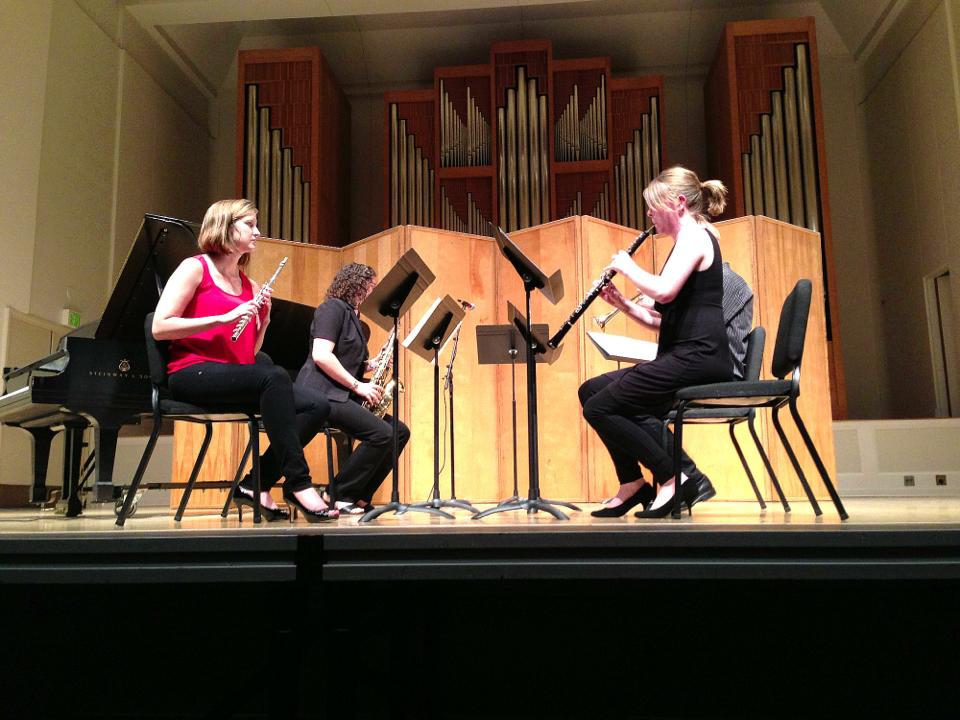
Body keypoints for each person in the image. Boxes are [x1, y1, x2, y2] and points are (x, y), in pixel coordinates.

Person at [152, 198, 337, 522]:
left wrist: (262, 322)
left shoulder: (249, 284)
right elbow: (160, 327)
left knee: (317, 405)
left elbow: (248, 352)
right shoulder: (194, 268)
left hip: (232, 371)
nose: (258, 232)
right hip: (191, 371)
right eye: (250, 225)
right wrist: (223, 318)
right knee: (274, 375)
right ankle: (298, 483)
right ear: (225, 226)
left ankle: (255, 484)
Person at [579, 166, 733, 518]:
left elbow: (664, 291)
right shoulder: (684, 243)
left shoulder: (696, 237)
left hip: (701, 355)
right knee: (591, 391)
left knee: (600, 407)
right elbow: (660, 319)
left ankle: (674, 476)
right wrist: (623, 304)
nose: (648, 214)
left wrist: (628, 266)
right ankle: (632, 483)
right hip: (684, 353)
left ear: (678, 203)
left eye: (653, 206)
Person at [296, 263, 411, 515]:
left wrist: (373, 364)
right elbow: (321, 356)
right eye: (371, 286)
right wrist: (359, 386)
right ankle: (337, 493)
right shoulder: (332, 309)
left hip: (341, 394)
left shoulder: (354, 317)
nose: (374, 291)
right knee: (382, 434)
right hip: (320, 394)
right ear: (356, 284)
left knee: (399, 432)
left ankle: (358, 495)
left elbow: (348, 362)